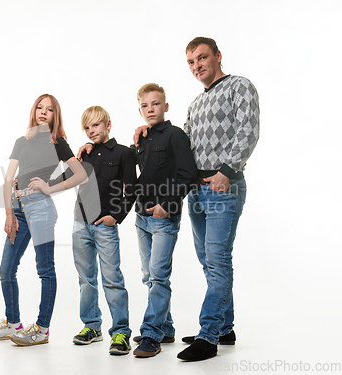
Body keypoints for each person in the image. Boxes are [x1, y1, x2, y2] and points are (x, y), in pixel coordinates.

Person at [136, 38, 260, 361]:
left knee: (218, 261)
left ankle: (208, 336)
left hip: (223, 186)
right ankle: (225, 326)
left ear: (218, 56)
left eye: (202, 58)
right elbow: (181, 140)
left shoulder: (239, 87)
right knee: (208, 261)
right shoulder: (195, 103)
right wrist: (148, 130)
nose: (197, 66)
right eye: (191, 62)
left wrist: (227, 170)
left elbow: (249, 130)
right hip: (196, 189)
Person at [81, 84, 197, 357]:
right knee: (148, 276)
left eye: (155, 104)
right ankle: (166, 329)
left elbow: (188, 174)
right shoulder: (141, 139)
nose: (150, 110)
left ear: (165, 106)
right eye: (145, 106)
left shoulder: (176, 135)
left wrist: (167, 205)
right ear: (139, 109)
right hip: (141, 218)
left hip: (163, 218)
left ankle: (151, 335)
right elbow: (117, 156)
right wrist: (91, 144)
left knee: (158, 276)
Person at [0, 94, 87, 346]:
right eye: (39, 107)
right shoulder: (22, 141)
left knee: (45, 269)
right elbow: (9, 179)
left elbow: (81, 174)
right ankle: (12, 323)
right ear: (34, 111)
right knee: (6, 269)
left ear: (55, 115)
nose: (43, 112)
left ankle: (42, 329)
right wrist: (9, 213)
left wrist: (50, 188)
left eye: (49, 109)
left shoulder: (58, 142)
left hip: (41, 208)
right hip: (17, 208)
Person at [71, 106, 136, 355]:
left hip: (104, 226)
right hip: (80, 224)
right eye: (87, 128)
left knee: (112, 278)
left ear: (108, 124)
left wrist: (115, 217)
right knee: (86, 280)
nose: (91, 131)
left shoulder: (123, 153)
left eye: (96, 125)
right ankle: (91, 326)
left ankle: (120, 331)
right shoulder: (84, 154)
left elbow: (130, 189)